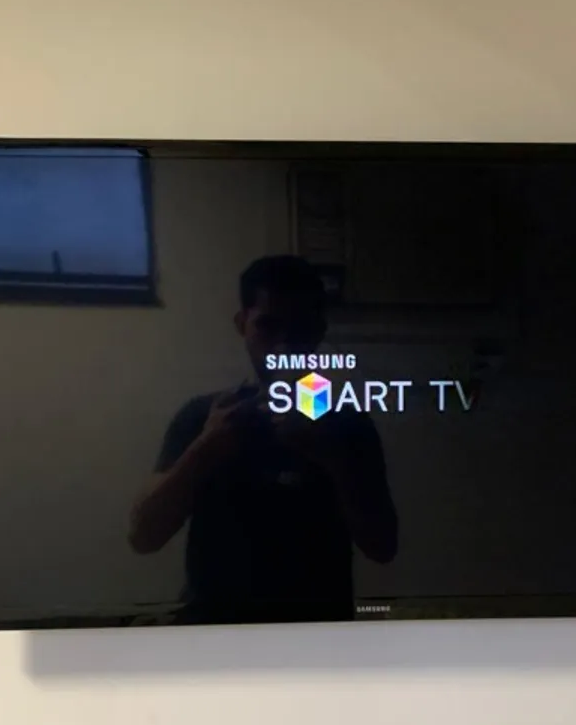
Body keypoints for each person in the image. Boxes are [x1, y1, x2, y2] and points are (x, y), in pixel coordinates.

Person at [129, 255, 397, 623]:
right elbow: (143, 537)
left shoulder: (347, 423)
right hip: (215, 635)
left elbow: (382, 548)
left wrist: (332, 457)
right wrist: (205, 449)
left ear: (319, 331)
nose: (283, 345)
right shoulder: (204, 416)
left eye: (300, 329)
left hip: (317, 638)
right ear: (242, 325)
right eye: (268, 326)